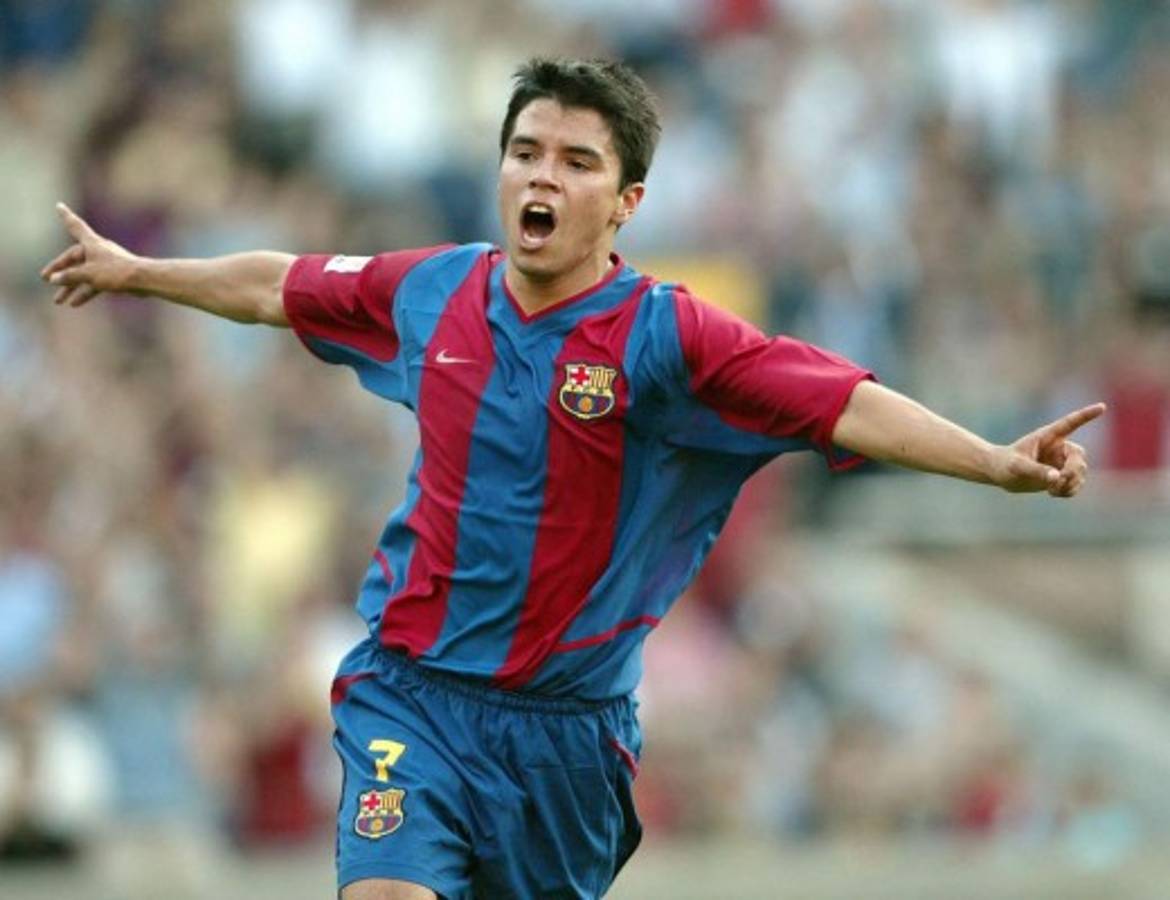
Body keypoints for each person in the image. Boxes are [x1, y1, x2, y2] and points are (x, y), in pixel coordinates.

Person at [41, 57, 1101, 900]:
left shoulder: (668, 339)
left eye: (577, 161)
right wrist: (139, 272)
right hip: (411, 697)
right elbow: (279, 286)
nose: (542, 176)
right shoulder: (435, 290)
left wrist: (995, 462)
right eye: (525, 152)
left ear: (626, 200)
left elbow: (841, 402)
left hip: (565, 738)